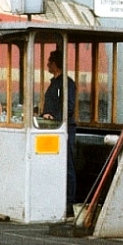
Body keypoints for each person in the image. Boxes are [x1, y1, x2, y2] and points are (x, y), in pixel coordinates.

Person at [40, 49, 78, 216]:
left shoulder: (67, 84)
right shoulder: (54, 83)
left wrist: (54, 116)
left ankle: (70, 200)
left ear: (55, 64)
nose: (47, 64)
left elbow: (68, 106)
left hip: (65, 128)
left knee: (66, 163)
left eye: (50, 61)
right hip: (52, 128)